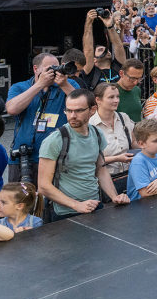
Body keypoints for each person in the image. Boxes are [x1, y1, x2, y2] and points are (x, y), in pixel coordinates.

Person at [38, 89, 130, 221]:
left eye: (79, 111)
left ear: (92, 110)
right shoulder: (55, 140)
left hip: (94, 206)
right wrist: (77, 205)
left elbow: (101, 170)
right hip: (65, 213)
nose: (72, 115)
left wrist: (114, 197)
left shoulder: (97, 134)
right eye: (69, 110)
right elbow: (43, 186)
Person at [4, 53, 77, 183]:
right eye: (50, 68)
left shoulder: (68, 84)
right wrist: (39, 85)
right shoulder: (20, 87)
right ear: (36, 69)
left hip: (57, 156)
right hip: (24, 157)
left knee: (53, 200)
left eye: (57, 67)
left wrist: (64, 85)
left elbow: (86, 105)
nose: (54, 71)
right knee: (20, 200)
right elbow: (12, 109)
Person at [90, 83, 137, 195]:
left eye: (117, 96)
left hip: (130, 175)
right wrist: (117, 158)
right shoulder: (90, 125)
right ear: (98, 100)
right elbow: (91, 160)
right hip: (105, 180)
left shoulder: (123, 117)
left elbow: (133, 142)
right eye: (111, 97)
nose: (116, 100)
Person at [126, 119, 157, 202]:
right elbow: (145, 193)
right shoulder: (138, 161)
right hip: (141, 206)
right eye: (155, 141)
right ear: (141, 144)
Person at [81, 9, 127, 90]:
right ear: (94, 59)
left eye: (106, 49)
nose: (106, 51)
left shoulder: (117, 68)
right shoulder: (92, 72)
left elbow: (118, 46)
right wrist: (88, 23)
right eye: (100, 50)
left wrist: (109, 26)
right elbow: (88, 50)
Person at [116, 58, 145, 123]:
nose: (135, 82)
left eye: (139, 79)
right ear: (121, 73)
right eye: (132, 78)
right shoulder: (111, 91)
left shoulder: (136, 90)